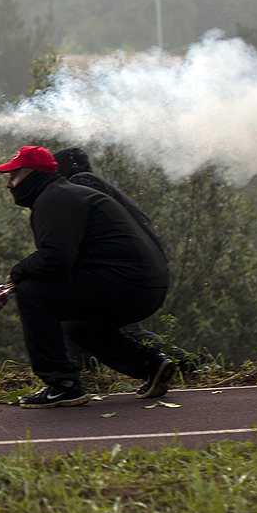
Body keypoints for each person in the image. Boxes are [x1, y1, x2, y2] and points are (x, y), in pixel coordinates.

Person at [0, 145, 174, 408]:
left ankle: (62, 384)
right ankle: (150, 366)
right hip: (147, 286)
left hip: (129, 285)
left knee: (33, 293)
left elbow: (55, 259)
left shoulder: (54, 199)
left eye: (14, 176)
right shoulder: (64, 194)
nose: (9, 184)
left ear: (32, 174)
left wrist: (16, 274)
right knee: (78, 324)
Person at [53, 147, 198, 370]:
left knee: (82, 321)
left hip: (122, 270)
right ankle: (188, 364)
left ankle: (188, 365)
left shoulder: (83, 182)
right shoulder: (93, 184)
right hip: (129, 268)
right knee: (121, 330)